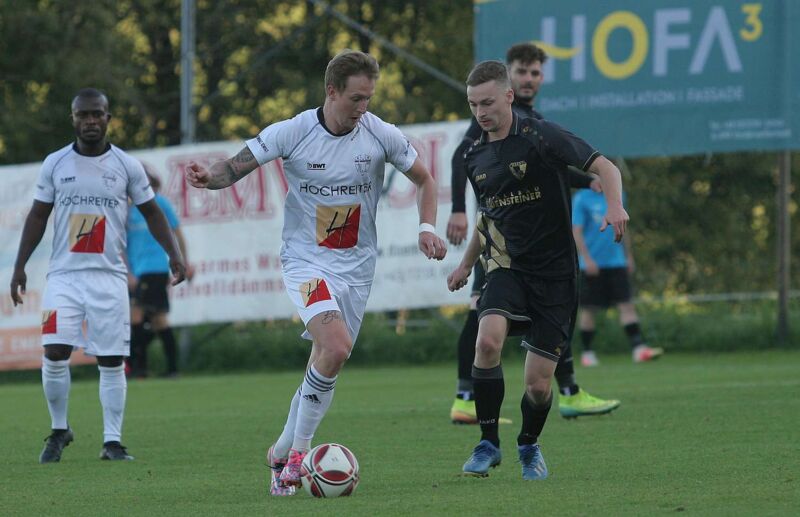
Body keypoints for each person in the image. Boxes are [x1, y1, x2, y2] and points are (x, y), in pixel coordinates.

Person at [185, 49, 447, 496]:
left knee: (327, 359)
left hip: (357, 269)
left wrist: (426, 228)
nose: (363, 107)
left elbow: (425, 179)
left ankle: (279, 452)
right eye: (356, 98)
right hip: (305, 261)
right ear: (331, 91)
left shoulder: (380, 133)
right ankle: (298, 458)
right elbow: (234, 166)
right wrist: (209, 177)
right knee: (337, 345)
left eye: (368, 98)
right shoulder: (293, 131)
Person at [447, 61, 628, 480]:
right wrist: (466, 264)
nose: (480, 112)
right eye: (473, 105)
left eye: (487, 102)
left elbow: (605, 167)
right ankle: (487, 443)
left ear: (509, 96)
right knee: (486, 342)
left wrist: (615, 205)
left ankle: (528, 445)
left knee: (539, 384)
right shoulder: (475, 157)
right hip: (507, 267)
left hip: (557, 275)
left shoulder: (542, 136)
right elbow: (488, 217)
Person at [9, 88, 186, 464]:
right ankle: (59, 429)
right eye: (83, 114)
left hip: (109, 278)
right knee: (54, 350)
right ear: (73, 119)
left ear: (108, 118)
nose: (90, 120)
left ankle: (112, 442)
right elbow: (38, 215)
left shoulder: (126, 165)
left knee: (111, 358)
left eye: (97, 114)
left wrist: (174, 255)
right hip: (64, 277)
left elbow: (153, 213)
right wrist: (19, 265)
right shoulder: (55, 163)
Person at [572, 189, 663, 366]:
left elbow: (623, 227)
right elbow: (577, 231)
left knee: (626, 305)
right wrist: (586, 259)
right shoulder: (581, 198)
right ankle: (587, 353)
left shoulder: (618, 194)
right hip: (592, 265)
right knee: (589, 309)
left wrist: (628, 256)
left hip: (616, 262)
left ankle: (638, 349)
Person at [126, 166, 194, 378]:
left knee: (142, 317)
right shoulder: (127, 210)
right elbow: (122, 244)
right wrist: (128, 272)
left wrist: (183, 261)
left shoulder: (159, 203)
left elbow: (177, 233)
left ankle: (141, 368)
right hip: (136, 272)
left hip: (154, 268)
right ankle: (157, 369)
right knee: (155, 320)